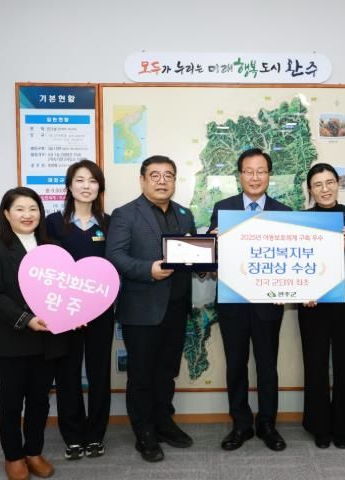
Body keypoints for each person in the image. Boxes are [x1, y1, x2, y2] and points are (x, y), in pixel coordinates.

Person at [105, 155, 196, 462]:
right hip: (141, 308)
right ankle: (144, 431)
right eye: (155, 175)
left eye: (168, 175)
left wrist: (205, 262)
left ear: (175, 181)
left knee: (167, 372)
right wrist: (148, 270)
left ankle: (164, 422)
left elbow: (190, 256)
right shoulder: (125, 214)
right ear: (142, 180)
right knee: (142, 375)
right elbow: (115, 256)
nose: (162, 181)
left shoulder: (185, 214)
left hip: (177, 308)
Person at [0, 187, 67, 480]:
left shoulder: (52, 248)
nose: (27, 215)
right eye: (19, 209)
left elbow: (65, 289)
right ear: (7, 214)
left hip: (47, 340)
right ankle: (14, 457)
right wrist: (26, 319)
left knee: (40, 401)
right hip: (12, 339)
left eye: (33, 208)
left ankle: (33, 452)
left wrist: (74, 313)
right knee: (11, 401)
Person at [208, 148, 292, 452]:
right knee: (236, 365)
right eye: (249, 171)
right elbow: (211, 260)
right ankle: (241, 424)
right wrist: (213, 242)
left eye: (261, 171)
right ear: (239, 175)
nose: (255, 177)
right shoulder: (223, 208)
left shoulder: (283, 211)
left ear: (269, 175)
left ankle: (267, 424)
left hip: (268, 304)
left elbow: (289, 259)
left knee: (268, 366)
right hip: (232, 302)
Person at [298, 163, 345, 449]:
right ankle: (319, 426)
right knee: (315, 363)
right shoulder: (302, 219)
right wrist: (302, 291)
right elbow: (295, 262)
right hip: (313, 301)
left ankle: (343, 426)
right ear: (310, 190)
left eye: (330, 182)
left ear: (337, 184)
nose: (325, 189)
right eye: (317, 184)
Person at [46, 160, 113, 461]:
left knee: (99, 374)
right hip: (65, 313)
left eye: (93, 181)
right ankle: (73, 436)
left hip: (100, 311)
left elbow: (114, 267)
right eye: (80, 180)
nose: (86, 186)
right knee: (67, 374)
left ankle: (95, 435)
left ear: (100, 187)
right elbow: (46, 267)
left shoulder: (109, 223)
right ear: (69, 186)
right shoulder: (52, 223)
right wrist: (68, 309)